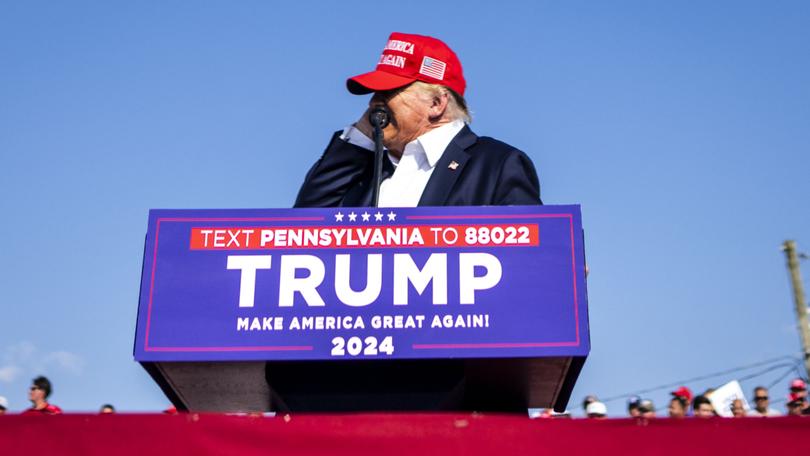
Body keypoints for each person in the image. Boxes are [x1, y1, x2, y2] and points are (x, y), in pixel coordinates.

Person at [295, 32, 541, 209]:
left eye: (388, 93)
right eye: (373, 94)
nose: (373, 103)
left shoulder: (497, 164)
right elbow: (299, 231)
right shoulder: (362, 168)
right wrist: (359, 139)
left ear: (436, 104)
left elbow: (529, 256)